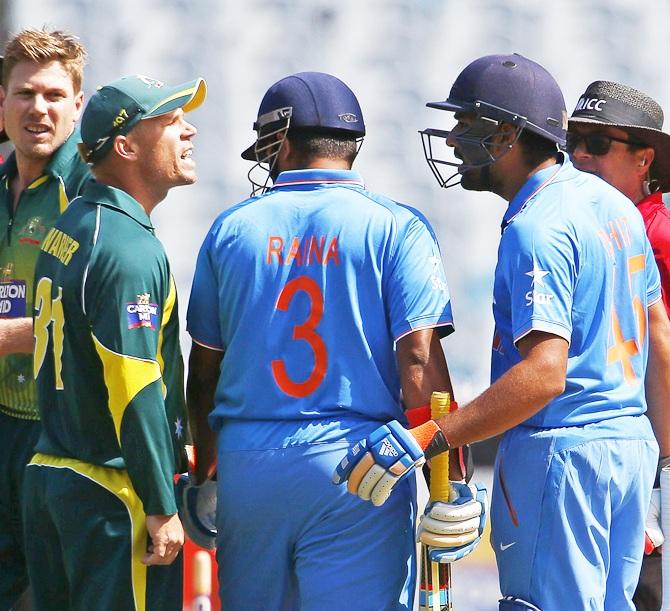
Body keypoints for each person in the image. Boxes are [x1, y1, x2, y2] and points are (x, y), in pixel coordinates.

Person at [336, 53, 670, 610]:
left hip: (561, 452)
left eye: (468, 125)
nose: (455, 139)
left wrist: (430, 438)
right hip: (629, 449)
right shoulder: (617, 207)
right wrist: (663, 464)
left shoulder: (538, 224)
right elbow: (658, 336)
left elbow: (544, 376)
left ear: (508, 135)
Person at [186, 71, 456, 610]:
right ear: (353, 146)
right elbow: (419, 359)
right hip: (360, 465)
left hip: (249, 462)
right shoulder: (397, 225)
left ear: (281, 144)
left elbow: (205, 375)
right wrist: (449, 479)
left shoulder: (230, 228)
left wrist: (206, 475)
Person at [22, 73, 206, 611]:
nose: (188, 131)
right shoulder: (126, 249)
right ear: (125, 147)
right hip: (111, 491)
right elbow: (134, 384)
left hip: (52, 473)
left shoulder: (72, 221)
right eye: (170, 121)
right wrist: (159, 500)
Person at [568, 80, 670, 611]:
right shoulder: (615, 225)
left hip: (649, 446)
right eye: (573, 142)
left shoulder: (654, 234)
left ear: (644, 159)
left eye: (599, 144)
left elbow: (662, 348)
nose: (581, 155)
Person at [0, 28, 90, 610]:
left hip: (63, 433)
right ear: (1, 101)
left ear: (78, 106)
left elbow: (108, 317)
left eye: (55, 95)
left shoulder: (90, 192)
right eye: (26, 93)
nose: (39, 108)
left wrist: (11, 335)